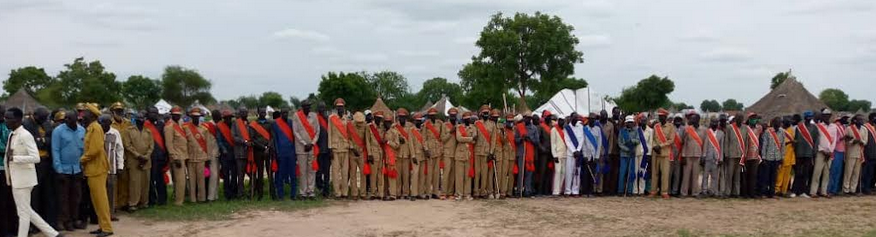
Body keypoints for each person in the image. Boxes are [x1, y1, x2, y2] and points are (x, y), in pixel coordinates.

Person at [4, 107, 63, 237]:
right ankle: (53, 234)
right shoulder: (11, 134)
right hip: (15, 178)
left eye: (9, 118)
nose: (5, 120)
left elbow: (35, 157)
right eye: (5, 117)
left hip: (24, 179)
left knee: (23, 213)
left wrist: (15, 158)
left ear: (18, 120)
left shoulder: (25, 135)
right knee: (27, 211)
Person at [22, 107, 58, 229]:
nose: (44, 121)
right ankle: (33, 225)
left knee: (48, 193)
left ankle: (49, 222)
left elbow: (50, 140)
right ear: (35, 115)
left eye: (45, 118)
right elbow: (32, 142)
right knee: (35, 195)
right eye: (42, 118)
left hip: (46, 162)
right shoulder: (26, 124)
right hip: (33, 164)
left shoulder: (45, 122)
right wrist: (43, 140)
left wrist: (42, 140)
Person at [81, 104, 113, 236]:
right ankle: (102, 225)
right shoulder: (91, 128)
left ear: (92, 116)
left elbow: (95, 149)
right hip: (92, 168)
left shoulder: (95, 128)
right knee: (96, 200)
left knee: (101, 199)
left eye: (86, 113)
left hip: (97, 168)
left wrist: (82, 159)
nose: (83, 115)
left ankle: (107, 228)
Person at [52, 112, 85, 231]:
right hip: (63, 170)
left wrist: (82, 167)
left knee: (76, 196)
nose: (66, 119)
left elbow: (83, 150)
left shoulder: (82, 130)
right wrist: (58, 169)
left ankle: (75, 219)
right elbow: (55, 150)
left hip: (77, 169)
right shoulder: (58, 131)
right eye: (65, 118)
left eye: (69, 118)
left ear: (76, 119)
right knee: (63, 197)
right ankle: (66, 221)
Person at [185, 108, 218, 203]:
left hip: (203, 159)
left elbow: (207, 144)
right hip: (191, 158)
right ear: (191, 117)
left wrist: (208, 158)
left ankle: (202, 198)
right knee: (191, 180)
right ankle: (192, 199)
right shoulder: (186, 128)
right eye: (194, 117)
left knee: (202, 179)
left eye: (197, 117)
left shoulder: (204, 129)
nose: (196, 118)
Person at [123, 111, 153, 211]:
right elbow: (127, 145)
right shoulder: (129, 130)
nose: (141, 120)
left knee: (145, 183)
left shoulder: (148, 131)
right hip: (134, 161)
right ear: (135, 120)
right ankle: (133, 204)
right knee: (134, 183)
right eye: (139, 118)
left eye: (143, 118)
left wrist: (146, 156)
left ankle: (144, 202)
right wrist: (138, 156)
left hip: (146, 161)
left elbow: (151, 147)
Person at [293, 101, 320, 199]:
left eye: (309, 106)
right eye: (306, 106)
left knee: (311, 170)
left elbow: (317, 131)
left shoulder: (314, 116)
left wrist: (312, 143)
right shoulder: (296, 116)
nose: (308, 108)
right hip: (301, 148)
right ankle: (303, 192)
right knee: (302, 171)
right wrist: (304, 143)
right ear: (302, 107)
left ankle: (311, 191)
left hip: (312, 147)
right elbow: (295, 132)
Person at [99, 114, 124, 221]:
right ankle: (100, 214)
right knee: (100, 192)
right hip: (99, 168)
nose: (102, 124)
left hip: (111, 167)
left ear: (109, 123)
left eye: (104, 122)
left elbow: (119, 149)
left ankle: (111, 213)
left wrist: (120, 166)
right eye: (100, 122)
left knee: (111, 191)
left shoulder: (115, 133)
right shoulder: (98, 132)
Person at [108, 102, 131, 211]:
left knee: (125, 180)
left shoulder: (128, 123)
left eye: (121, 111)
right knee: (114, 181)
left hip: (126, 155)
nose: (120, 113)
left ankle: (124, 202)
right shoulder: (110, 124)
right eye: (117, 111)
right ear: (112, 112)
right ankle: (115, 204)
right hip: (113, 155)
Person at [164, 106, 189, 206]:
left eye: (178, 115)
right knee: (180, 180)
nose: (177, 116)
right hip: (177, 156)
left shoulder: (181, 124)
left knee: (182, 179)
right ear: (171, 115)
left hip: (184, 155)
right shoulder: (169, 126)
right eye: (175, 115)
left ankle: (181, 198)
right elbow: (169, 144)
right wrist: (174, 157)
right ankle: (179, 201)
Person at [649, 108, 676, 199]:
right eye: (659, 116)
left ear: (666, 117)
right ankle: (653, 191)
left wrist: (660, 146)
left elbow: (671, 140)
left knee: (665, 174)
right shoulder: (656, 126)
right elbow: (652, 139)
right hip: (655, 153)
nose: (660, 118)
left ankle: (664, 192)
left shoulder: (671, 127)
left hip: (665, 153)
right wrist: (654, 146)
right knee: (654, 173)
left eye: (662, 116)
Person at [272, 108, 297, 200]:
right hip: (281, 153)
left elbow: (294, 138)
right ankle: (280, 194)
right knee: (280, 175)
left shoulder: (291, 122)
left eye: (286, 112)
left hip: (291, 153)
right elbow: (275, 139)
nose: (285, 114)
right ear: (281, 114)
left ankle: (293, 194)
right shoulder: (275, 124)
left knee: (293, 175)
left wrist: (295, 152)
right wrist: (277, 152)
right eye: (283, 113)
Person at [144, 107, 168, 205]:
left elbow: (165, 139)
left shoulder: (161, 125)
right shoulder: (144, 125)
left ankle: (162, 200)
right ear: (148, 114)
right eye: (152, 112)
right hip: (150, 156)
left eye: (155, 113)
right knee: (150, 180)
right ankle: (151, 199)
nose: (154, 114)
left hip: (160, 156)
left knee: (161, 180)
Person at [328, 99, 351, 199]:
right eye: (338, 107)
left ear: (344, 108)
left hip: (345, 148)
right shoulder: (331, 118)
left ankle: (345, 192)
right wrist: (330, 148)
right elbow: (329, 133)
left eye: (342, 107)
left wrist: (350, 146)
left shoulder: (347, 119)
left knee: (345, 172)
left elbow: (349, 134)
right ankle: (337, 192)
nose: (340, 108)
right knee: (335, 172)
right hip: (335, 148)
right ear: (336, 108)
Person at [248, 107, 273, 200]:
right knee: (260, 172)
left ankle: (272, 192)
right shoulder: (253, 124)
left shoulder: (269, 124)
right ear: (258, 113)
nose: (263, 113)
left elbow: (272, 137)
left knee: (270, 172)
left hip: (268, 151)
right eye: (261, 112)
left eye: (264, 112)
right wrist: (263, 147)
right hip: (258, 151)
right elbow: (252, 138)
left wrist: (268, 147)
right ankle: (260, 194)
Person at [678, 112, 705, 197]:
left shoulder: (704, 130)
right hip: (688, 155)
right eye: (691, 118)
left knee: (695, 175)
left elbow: (704, 144)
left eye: (693, 118)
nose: (691, 120)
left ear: (698, 120)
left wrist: (703, 156)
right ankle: (684, 192)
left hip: (698, 155)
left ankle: (695, 192)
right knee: (686, 175)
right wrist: (683, 155)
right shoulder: (687, 129)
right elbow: (684, 143)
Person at [811, 109, 836, 198]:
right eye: (825, 115)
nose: (827, 117)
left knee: (826, 173)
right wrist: (823, 150)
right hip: (821, 152)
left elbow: (834, 140)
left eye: (828, 115)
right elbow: (817, 141)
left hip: (829, 153)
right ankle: (813, 192)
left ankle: (824, 192)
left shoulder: (834, 127)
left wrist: (830, 151)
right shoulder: (818, 126)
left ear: (830, 116)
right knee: (817, 172)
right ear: (822, 116)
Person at [793, 111, 818, 198]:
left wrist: (814, 152)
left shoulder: (814, 128)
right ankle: (795, 191)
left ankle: (803, 191)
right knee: (798, 172)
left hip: (809, 153)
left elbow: (816, 141)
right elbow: (795, 140)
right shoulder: (799, 127)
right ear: (805, 117)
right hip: (799, 153)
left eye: (810, 117)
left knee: (806, 173)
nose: (809, 118)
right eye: (808, 117)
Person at [474, 106, 497, 198]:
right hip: (477, 151)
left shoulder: (492, 125)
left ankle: (483, 192)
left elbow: (493, 140)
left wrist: (491, 153)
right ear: (481, 114)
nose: (486, 114)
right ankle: (476, 191)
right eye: (484, 113)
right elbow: (474, 135)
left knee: (484, 173)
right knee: (477, 173)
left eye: (487, 113)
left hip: (486, 152)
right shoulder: (477, 123)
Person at [759, 117, 785, 198]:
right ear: (773, 123)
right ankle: (763, 193)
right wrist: (763, 157)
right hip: (768, 157)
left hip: (777, 157)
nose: (778, 124)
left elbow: (783, 145)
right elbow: (764, 145)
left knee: (774, 177)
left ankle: (772, 193)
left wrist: (782, 157)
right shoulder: (767, 132)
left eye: (779, 122)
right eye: (777, 122)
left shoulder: (782, 132)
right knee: (766, 176)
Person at [453, 112, 477, 200]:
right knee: (459, 175)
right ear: (463, 119)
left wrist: (468, 139)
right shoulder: (459, 127)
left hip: (469, 153)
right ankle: (459, 193)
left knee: (468, 175)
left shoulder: (473, 128)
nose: (468, 120)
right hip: (460, 153)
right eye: (466, 118)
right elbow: (459, 138)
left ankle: (467, 193)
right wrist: (470, 139)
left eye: (469, 118)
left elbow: (475, 139)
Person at [215, 110, 238, 199]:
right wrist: (224, 150)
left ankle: (234, 192)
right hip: (225, 154)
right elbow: (219, 140)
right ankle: (227, 193)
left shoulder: (234, 124)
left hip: (234, 152)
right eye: (226, 118)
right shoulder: (219, 126)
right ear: (223, 118)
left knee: (234, 174)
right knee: (226, 174)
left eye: (229, 118)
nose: (228, 119)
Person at [842, 114, 868, 195]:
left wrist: (861, 142)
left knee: (856, 173)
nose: (861, 121)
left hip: (860, 153)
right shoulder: (849, 128)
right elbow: (845, 140)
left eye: (862, 120)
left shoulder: (864, 129)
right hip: (851, 152)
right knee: (848, 172)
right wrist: (853, 141)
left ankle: (853, 189)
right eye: (859, 119)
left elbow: (865, 141)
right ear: (855, 120)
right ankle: (846, 189)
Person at [422, 108, 444, 199]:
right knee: (429, 173)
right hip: (430, 151)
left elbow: (442, 137)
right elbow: (424, 139)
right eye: (431, 115)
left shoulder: (440, 124)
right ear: (429, 116)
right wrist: (426, 149)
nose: (433, 116)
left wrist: (441, 149)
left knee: (436, 173)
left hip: (438, 150)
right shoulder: (426, 125)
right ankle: (428, 192)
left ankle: (435, 192)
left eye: (434, 115)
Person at [515, 111, 538, 197]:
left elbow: (537, 141)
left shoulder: (534, 128)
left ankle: (527, 190)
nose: (528, 119)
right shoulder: (519, 127)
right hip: (521, 152)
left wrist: (530, 139)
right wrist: (521, 139)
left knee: (529, 172)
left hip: (530, 153)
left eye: (529, 118)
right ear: (524, 118)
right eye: (526, 118)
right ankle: (519, 190)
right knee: (521, 172)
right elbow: (516, 140)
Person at [740, 113, 762, 198]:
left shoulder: (759, 128)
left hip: (755, 156)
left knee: (753, 176)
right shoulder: (745, 128)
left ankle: (752, 193)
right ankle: (745, 193)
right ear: (749, 119)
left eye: (755, 118)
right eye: (752, 118)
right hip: (746, 155)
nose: (754, 119)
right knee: (745, 176)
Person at [723, 114, 745, 198]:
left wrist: (744, 154)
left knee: (737, 175)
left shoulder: (745, 128)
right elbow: (726, 142)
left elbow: (745, 142)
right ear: (736, 119)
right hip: (731, 155)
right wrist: (726, 154)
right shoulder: (730, 127)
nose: (740, 120)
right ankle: (727, 192)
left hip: (740, 155)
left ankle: (736, 193)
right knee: (729, 175)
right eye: (738, 118)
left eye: (741, 118)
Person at [617, 115, 639, 196]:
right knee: (622, 173)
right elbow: (620, 143)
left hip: (632, 155)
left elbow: (638, 140)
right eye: (628, 122)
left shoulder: (636, 131)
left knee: (631, 173)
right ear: (626, 123)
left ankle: (629, 191)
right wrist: (627, 149)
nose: (630, 124)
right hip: (624, 154)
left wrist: (631, 141)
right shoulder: (622, 131)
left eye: (631, 122)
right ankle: (620, 191)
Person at [701, 119, 724, 197]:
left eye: (716, 123)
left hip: (716, 158)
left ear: (718, 124)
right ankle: (704, 190)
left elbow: (722, 147)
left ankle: (713, 191)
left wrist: (721, 159)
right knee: (705, 175)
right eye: (713, 122)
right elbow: (705, 145)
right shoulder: (707, 132)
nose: (714, 124)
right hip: (707, 157)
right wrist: (703, 156)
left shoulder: (721, 134)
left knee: (714, 176)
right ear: (710, 123)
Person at [407, 112, 427, 200]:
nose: (419, 122)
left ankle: (421, 192)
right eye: (417, 121)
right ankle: (414, 194)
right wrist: (413, 156)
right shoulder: (411, 130)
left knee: (422, 175)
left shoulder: (423, 130)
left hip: (423, 155)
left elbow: (424, 141)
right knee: (415, 174)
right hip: (416, 155)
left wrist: (426, 150)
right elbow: (410, 144)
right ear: (414, 121)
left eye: (420, 121)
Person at [348, 112, 368, 200]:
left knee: (363, 173)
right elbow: (348, 138)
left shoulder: (365, 125)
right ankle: (354, 193)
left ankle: (363, 193)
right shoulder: (350, 125)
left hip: (361, 152)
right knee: (353, 174)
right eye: (358, 122)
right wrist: (352, 148)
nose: (360, 124)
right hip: (352, 152)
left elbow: (366, 139)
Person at [828, 115, 849, 195]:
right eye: (845, 118)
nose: (846, 120)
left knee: (838, 172)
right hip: (836, 150)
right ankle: (829, 189)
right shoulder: (835, 127)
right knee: (833, 171)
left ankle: (835, 189)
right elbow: (833, 139)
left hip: (842, 151)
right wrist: (842, 138)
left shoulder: (843, 127)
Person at [440, 108, 459, 199]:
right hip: (447, 152)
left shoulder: (458, 125)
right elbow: (442, 139)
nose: (453, 117)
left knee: (453, 173)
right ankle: (444, 192)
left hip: (456, 152)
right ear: (449, 116)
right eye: (451, 116)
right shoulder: (444, 125)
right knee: (446, 173)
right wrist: (450, 133)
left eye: (454, 116)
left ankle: (450, 192)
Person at [563, 113, 584, 196]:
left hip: (578, 153)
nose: (576, 119)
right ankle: (567, 191)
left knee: (577, 173)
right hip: (570, 153)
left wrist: (578, 150)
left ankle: (575, 191)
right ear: (571, 118)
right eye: (574, 117)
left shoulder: (581, 127)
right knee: (569, 172)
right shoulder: (567, 128)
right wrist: (573, 151)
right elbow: (567, 140)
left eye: (577, 117)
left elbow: (582, 139)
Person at [775, 117, 796, 197]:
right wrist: (791, 141)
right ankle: (777, 190)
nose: (789, 123)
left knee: (787, 175)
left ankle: (784, 191)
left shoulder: (791, 130)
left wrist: (793, 143)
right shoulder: (780, 131)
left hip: (790, 155)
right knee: (780, 175)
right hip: (782, 156)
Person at [633, 114, 653, 195]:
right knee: (635, 172)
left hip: (644, 154)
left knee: (643, 172)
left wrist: (649, 154)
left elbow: (650, 143)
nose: (643, 122)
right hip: (636, 153)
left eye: (645, 120)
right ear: (639, 121)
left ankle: (641, 190)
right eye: (641, 120)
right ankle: (634, 190)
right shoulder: (636, 130)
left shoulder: (650, 131)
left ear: (647, 121)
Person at [600, 110, 619, 196]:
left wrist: (609, 152)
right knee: (599, 171)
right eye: (602, 115)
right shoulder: (597, 124)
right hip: (598, 151)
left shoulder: (611, 125)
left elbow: (611, 140)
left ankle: (608, 189)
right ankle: (599, 189)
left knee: (609, 171)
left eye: (605, 115)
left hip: (609, 151)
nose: (604, 116)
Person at [382, 113, 400, 200]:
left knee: (391, 175)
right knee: (384, 176)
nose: (387, 124)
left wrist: (388, 142)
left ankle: (393, 194)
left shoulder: (394, 132)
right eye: (386, 122)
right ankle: (384, 193)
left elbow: (397, 145)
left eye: (389, 122)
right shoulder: (382, 131)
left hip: (391, 156)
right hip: (383, 156)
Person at [315, 102, 331, 198]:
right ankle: (319, 187)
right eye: (320, 108)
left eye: (323, 108)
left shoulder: (329, 119)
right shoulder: (315, 119)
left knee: (327, 172)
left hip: (328, 150)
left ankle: (326, 191)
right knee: (318, 172)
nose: (322, 109)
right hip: (318, 150)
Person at [498, 114, 516, 198]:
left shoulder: (515, 130)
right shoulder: (503, 130)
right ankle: (503, 192)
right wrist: (503, 133)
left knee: (511, 174)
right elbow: (503, 141)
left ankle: (510, 191)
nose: (510, 123)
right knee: (504, 173)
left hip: (513, 154)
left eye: (511, 121)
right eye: (509, 121)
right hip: (505, 154)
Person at [551, 115, 568, 196]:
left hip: (565, 154)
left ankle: (560, 189)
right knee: (557, 172)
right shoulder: (554, 130)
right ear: (558, 120)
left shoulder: (565, 130)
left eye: (563, 120)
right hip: (557, 154)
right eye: (560, 120)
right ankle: (555, 191)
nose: (562, 122)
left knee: (563, 172)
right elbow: (553, 144)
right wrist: (554, 155)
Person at [669, 114, 684, 197]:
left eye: (679, 120)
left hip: (679, 153)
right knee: (669, 173)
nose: (678, 121)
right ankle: (668, 190)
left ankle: (675, 191)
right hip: (670, 152)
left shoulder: (684, 129)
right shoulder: (670, 128)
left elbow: (684, 142)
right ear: (674, 120)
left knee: (677, 174)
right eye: (676, 119)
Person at [861, 113, 876, 195]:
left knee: (870, 173)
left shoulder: (873, 128)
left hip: (874, 154)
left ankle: (868, 187)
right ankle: (863, 188)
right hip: (867, 153)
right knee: (865, 172)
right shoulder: (865, 127)